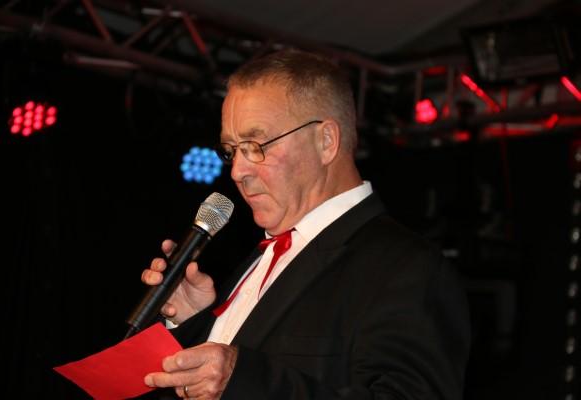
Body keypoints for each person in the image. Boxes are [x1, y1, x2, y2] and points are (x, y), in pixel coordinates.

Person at [141, 49, 470, 399]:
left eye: (256, 144)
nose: (237, 171)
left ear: (325, 141)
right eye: (232, 150)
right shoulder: (261, 259)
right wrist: (194, 320)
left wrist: (241, 380)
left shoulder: (407, 268)